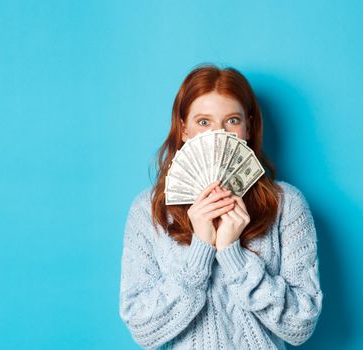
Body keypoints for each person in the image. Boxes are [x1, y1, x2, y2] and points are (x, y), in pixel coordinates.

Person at [119, 64, 323, 349]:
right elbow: (143, 329)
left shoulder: (286, 204)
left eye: (231, 121)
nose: (218, 134)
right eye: (204, 122)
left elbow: (301, 325)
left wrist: (233, 255)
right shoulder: (148, 210)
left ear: (248, 127)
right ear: (184, 128)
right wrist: (201, 247)